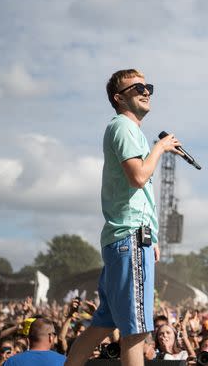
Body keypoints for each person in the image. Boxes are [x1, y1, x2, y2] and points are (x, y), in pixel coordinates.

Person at [65, 69, 182, 366]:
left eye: (149, 87)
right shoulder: (123, 127)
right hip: (130, 238)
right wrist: (161, 147)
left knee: (103, 323)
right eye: (138, 87)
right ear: (118, 98)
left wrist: (152, 237)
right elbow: (139, 178)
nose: (146, 91)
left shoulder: (128, 130)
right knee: (135, 332)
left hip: (126, 238)